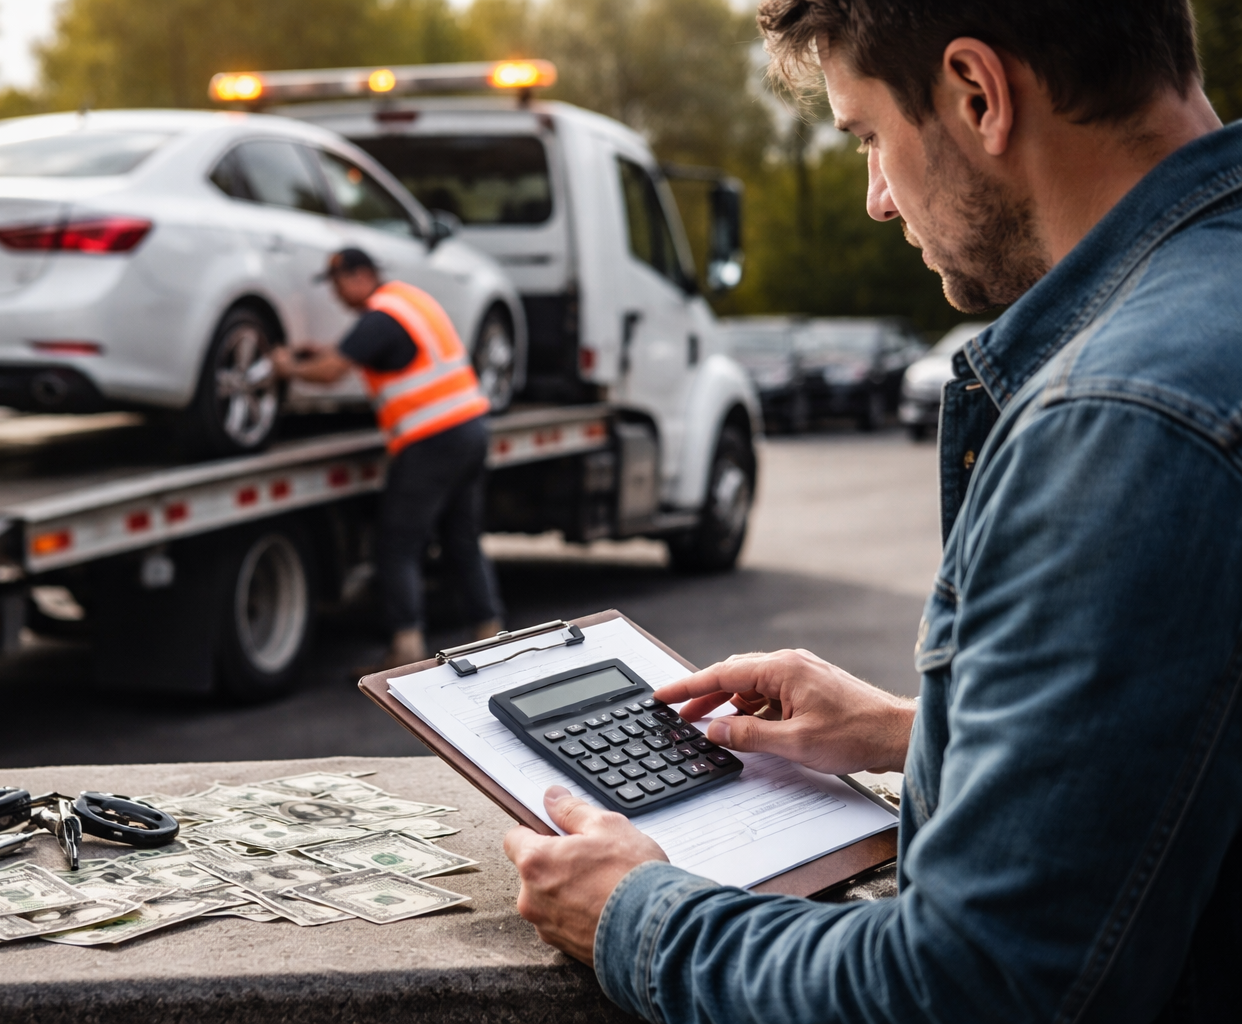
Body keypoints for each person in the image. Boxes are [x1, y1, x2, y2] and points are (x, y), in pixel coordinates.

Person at [503, 2, 1242, 1021]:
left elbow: (970, 988)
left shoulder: (1119, 423)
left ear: (978, 95)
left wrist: (633, 910)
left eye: (868, 138)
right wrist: (919, 730)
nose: (877, 201)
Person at [270, 248, 504, 668]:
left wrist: (287, 368)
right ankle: (489, 633)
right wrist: (321, 350)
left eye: (337, 282)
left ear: (359, 276)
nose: (338, 294)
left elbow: (331, 373)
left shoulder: (378, 318)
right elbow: (371, 352)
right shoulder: (409, 301)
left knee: (397, 545)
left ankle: (407, 646)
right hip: (470, 428)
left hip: (432, 440)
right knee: (463, 538)